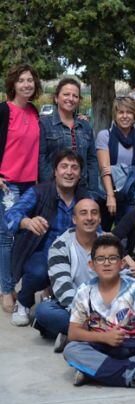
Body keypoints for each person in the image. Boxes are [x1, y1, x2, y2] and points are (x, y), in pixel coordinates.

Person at [62, 234, 135, 394]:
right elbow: (73, 333)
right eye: (100, 259)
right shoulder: (84, 291)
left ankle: (94, 372)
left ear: (122, 264)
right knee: (71, 350)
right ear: (91, 265)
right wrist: (104, 337)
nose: (106, 263)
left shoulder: (134, 288)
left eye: (113, 258)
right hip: (100, 346)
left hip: (133, 345)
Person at [6, 150, 89, 326]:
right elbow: (11, 214)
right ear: (55, 171)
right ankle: (24, 301)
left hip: (74, 251)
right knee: (38, 272)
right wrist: (26, 221)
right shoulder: (39, 192)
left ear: (80, 173)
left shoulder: (84, 197)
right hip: (43, 250)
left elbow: (97, 225)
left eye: (74, 168)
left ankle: (53, 296)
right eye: (64, 166)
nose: (69, 172)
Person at [0, 64, 43, 313]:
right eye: (22, 80)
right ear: (13, 85)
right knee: (7, 237)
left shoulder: (34, 112)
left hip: (30, 183)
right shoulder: (5, 110)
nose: (27, 84)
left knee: (26, 237)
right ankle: (7, 289)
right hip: (8, 183)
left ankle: (20, 286)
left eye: (30, 80)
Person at [36, 199, 101, 351]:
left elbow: (121, 279)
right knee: (43, 311)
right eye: (83, 213)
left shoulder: (108, 243)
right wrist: (91, 318)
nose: (89, 218)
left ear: (100, 218)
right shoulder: (61, 245)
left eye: (94, 213)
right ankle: (93, 336)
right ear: (74, 219)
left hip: (106, 306)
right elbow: (64, 290)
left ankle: (73, 336)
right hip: (75, 307)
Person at [95, 97, 135, 230]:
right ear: (115, 115)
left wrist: (119, 170)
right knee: (103, 233)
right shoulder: (105, 136)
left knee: (129, 234)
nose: (125, 116)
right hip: (107, 192)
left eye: (129, 112)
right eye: (121, 112)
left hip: (132, 195)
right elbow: (104, 169)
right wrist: (110, 196)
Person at [38, 78, 98, 197]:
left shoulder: (85, 126)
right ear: (56, 98)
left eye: (75, 96)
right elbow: (41, 158)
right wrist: (51, 188)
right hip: (54, 191)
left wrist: (92, 191)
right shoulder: (44, 124)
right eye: (66, 94)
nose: (70, 98)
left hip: (82, 190)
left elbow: (92, 160)